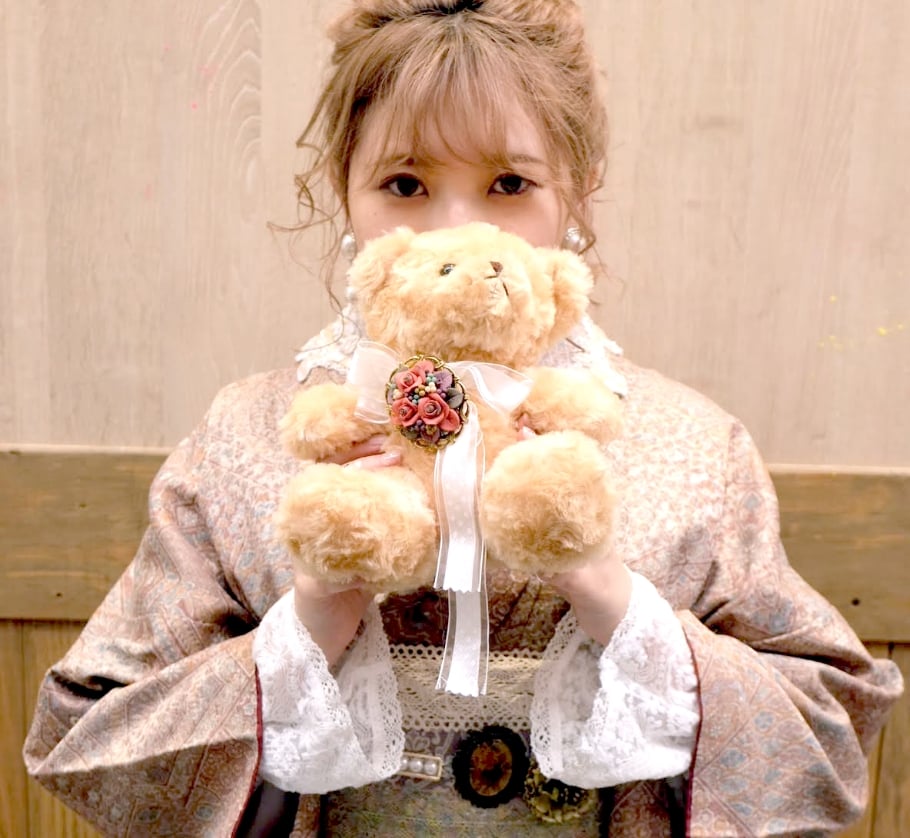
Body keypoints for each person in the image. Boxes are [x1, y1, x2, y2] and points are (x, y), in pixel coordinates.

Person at [24, 1, 902, 835]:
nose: (457, 225)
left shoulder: (695, 442)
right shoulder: (249, 433)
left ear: (579, 187)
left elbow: (825, 733)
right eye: (404, 183)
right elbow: (92, 734)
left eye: (509, 182)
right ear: (344, 189)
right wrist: (314, 621)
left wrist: (614, 601)